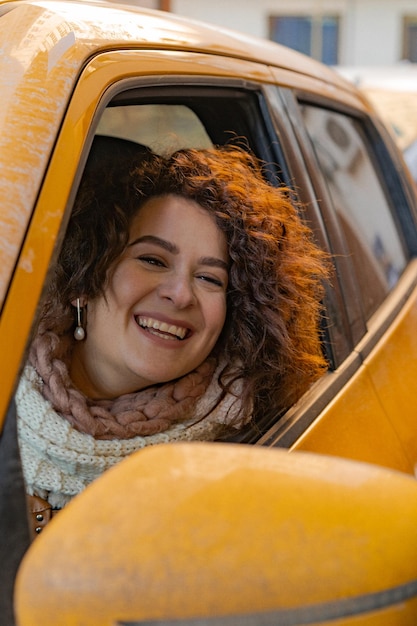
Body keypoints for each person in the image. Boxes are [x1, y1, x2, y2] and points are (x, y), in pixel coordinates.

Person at [15, 137, 329, 538]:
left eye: (209, 278)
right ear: (84, 273)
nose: (180, 294)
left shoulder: (239, 454)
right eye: (152, 260)